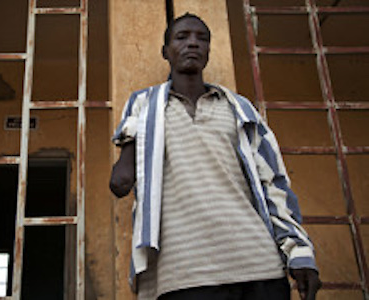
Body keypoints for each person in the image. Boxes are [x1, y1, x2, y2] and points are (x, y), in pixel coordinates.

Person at [109, 13, 321, 300]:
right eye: (182, 37)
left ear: (209, 50)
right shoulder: (144, 105)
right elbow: (121, 179)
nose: (193, 44)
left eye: (202, 38)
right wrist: (130, 153)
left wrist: (300, 253)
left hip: (258, 266)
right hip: (182, 272)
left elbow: (273, 183)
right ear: (165, 51)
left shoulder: (239, 109)